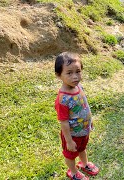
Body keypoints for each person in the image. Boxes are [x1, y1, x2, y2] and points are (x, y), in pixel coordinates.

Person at [54, 52, 99, 180]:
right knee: (70, 154)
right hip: (72, 135)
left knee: (82, 149)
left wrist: (90, 120)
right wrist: (68, 140)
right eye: (69, 73)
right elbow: (63, 122)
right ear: (59, 75)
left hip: (84, 130)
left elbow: (85, 104)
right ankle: (73, 172)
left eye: (78, 71)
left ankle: (84, 164)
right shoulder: (63, 99)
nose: (75, 77)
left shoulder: (79, 86)